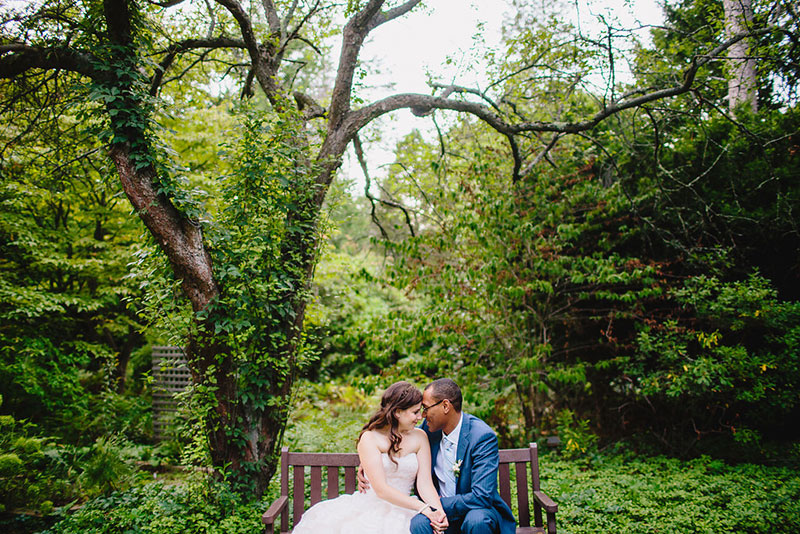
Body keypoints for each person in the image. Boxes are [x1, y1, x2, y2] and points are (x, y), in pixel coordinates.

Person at [291, 381, 448, 534]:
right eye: (415, 412)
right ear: (397, 412)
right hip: (372, 506)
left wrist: (439, 513)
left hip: (407, 509)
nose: (420, 417)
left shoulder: (420, 437)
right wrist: (422, 507)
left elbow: (425, 483)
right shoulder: (370, 438)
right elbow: (381, 489)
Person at [362, 378, 516, 534]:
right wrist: (369, 467)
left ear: (445, 406)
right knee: (419, 523)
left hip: (475, 509)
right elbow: (393, 446)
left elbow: (482, 496)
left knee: (476, 521)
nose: (422, 415)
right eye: (418, 411)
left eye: (426, 408)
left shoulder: (481, 436)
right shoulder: (428, 430)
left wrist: (439, 506)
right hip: (433, 506)